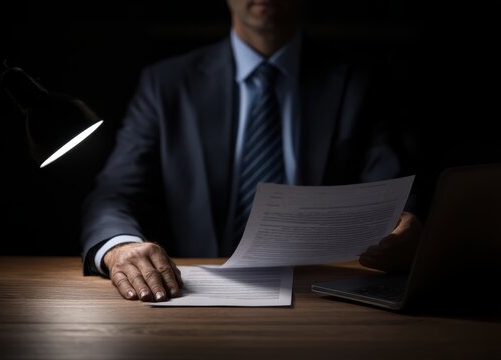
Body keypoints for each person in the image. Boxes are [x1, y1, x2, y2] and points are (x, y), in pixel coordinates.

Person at [80, 0, 423, 302]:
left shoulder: (359, 83)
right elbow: (115, 191)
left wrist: (408, 229)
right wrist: (119, 246)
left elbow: (391, 190)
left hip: (326, 297)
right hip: (191, 296)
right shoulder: (166, 84)